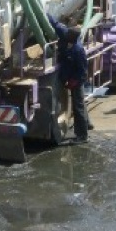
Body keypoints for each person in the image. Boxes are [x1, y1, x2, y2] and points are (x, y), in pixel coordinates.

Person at [48, 15, 93, 143]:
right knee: (79, 105)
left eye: (69, 36)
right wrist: (45, 14)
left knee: (78, 107)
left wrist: (75, 81)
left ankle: (82, 136)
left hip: (76, 81)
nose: (67, 36)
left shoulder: (78, 51)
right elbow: (55, 23)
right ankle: (86, 124)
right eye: (67, 34)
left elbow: (83, 71)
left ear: (73, 38)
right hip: (67, 75)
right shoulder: (65, 33)